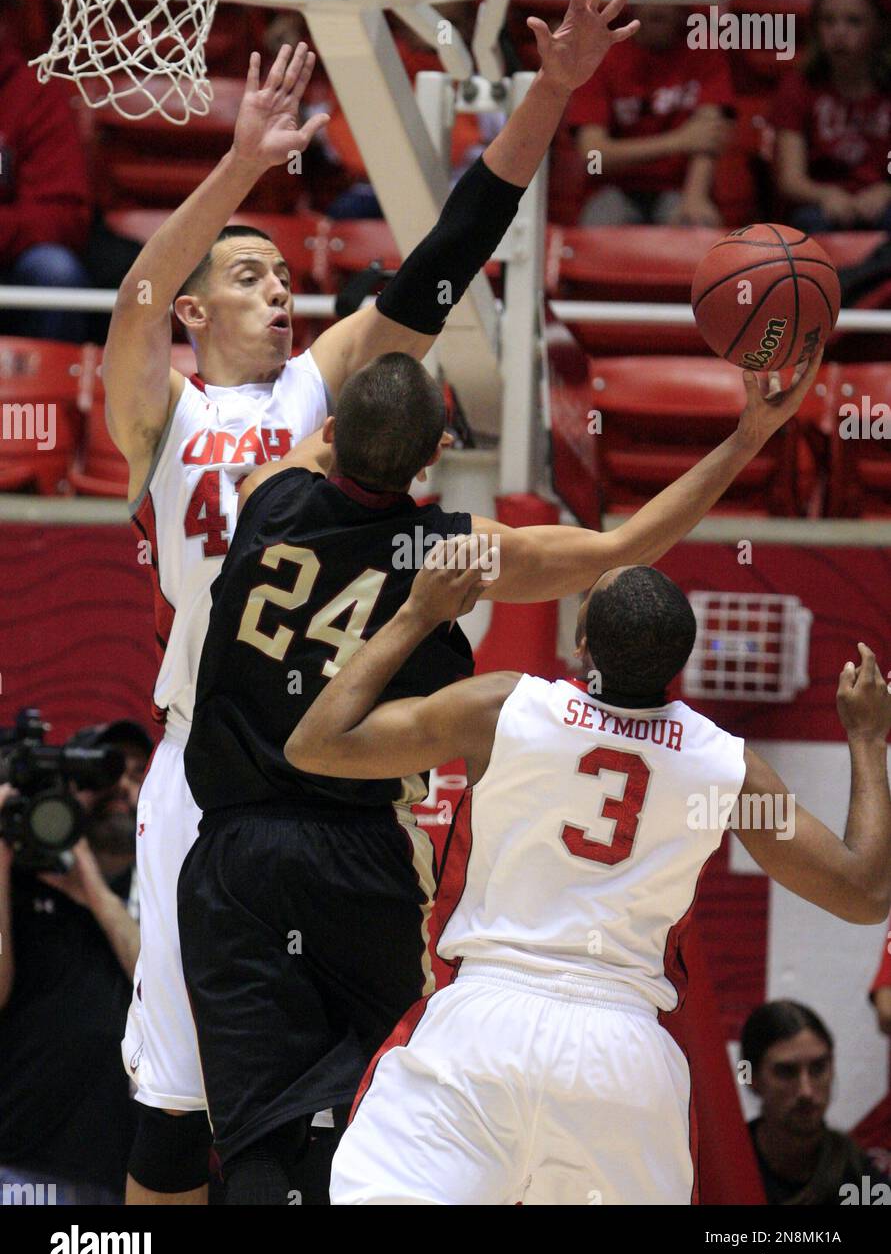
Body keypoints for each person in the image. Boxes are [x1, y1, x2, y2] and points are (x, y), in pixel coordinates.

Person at [104, 0, 643, 1205]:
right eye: (247, 276)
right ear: (193, 310)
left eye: (285, 273)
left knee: (379, 1093)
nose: (280, 286)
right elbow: (134, 296)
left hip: (344, 773)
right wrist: (239, 163)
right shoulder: (162, 410)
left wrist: (551, 95)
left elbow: (449, 254)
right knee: (174, 1113)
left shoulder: (327, 391)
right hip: (210, 768)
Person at [177, 345, 822, 1205]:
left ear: (330, 435)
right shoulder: (456, 556)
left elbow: (332, 425)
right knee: (369, 1100)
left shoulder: (266, 495)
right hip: (362, 849)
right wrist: (748, 436)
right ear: (437, 453)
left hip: (232, 845)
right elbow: (626, 546)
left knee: (255, 1127)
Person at [282, 557, 891, 1206]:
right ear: (675, 667)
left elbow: (317, 743)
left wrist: (417, 613)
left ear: (581, 649)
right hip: (620, 1059)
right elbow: (862, 891)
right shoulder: (722, 767)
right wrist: (866, 737)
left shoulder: (502, 706)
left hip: (484, 1029)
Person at [0, 720, 150, 1205]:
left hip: (118, 1174)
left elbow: (162, 987)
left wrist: (91, 889)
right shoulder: (20, 882)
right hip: (17, 1165)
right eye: (104, 773)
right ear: (67, 788)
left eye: (135, 774)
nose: (121, 788)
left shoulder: (160, 891)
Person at [568, 4, 734, 228]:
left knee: (699, 228)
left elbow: (709, 137)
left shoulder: (704, 48)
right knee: (599, 224)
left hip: (679, 189)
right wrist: (679, 141)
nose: (659, 6)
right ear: (632, 2)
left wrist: (695, 197)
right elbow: (593, 159)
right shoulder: (600, 54)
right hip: (610, 190)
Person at [773, 0, 891, 234]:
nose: (839, 32)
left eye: (854, 21)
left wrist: (886, 191)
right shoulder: (799, 86)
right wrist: (826, 195)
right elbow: (791, 179)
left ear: (880, 27)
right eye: (828, 21)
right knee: (810, 223)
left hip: (882, 203)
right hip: (819, 205)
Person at [742, 1000, 888, 1206]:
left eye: (818, 1068)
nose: (806, 1091)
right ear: (750, 1077)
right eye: (786, 1072)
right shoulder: (722, 1167)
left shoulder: (861, 1181)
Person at [0, 40, 92, 342]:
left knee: (55, 271)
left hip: (10, 260)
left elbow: (63, 217)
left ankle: (59, 388)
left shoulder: (31, 89)